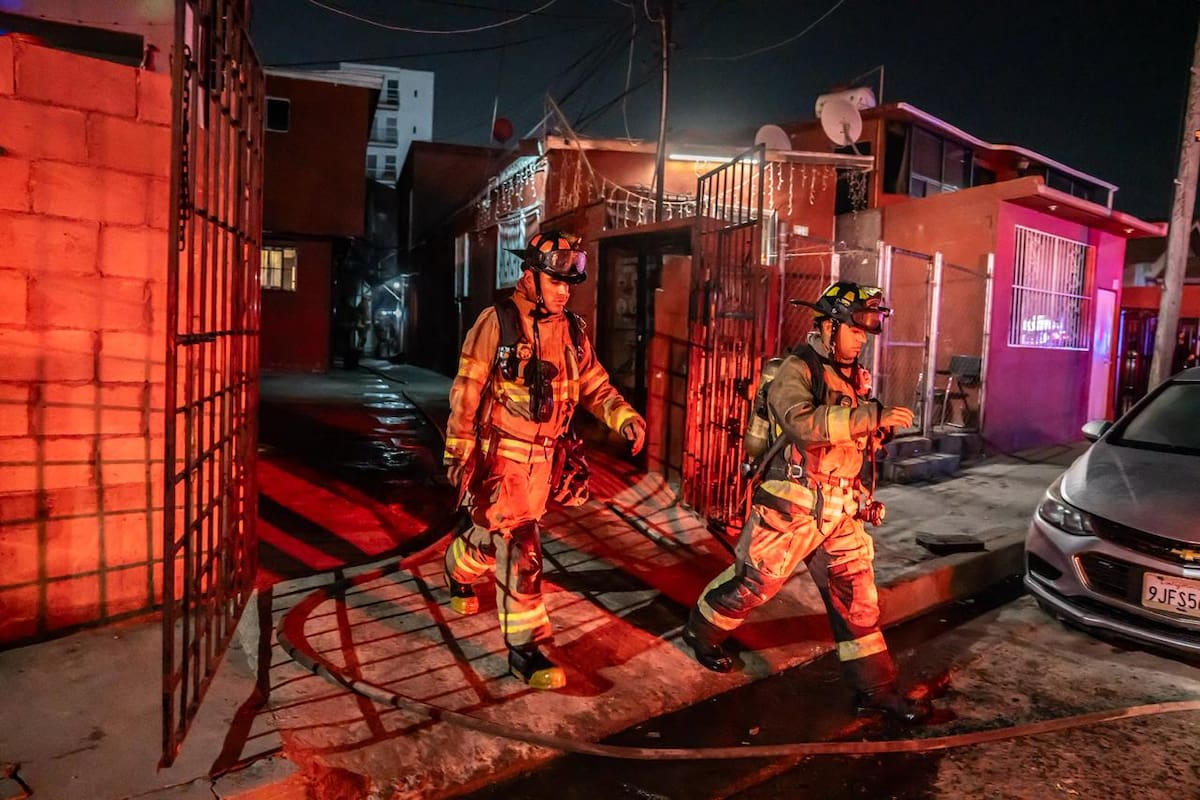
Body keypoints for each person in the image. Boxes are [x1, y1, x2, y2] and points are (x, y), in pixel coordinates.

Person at [682, 280, 933, 723]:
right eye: (854, 330)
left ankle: (876, 688)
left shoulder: (854, 375)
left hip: (840, 508)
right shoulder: (794, 370)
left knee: (857, 597)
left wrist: (875, 432)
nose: (861, 339)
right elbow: (803, 424)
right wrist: (870, 416)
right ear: (830, 326)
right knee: (753, 585)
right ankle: (701, 633)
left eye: (865, 332)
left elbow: (848, 437)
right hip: (792, 504)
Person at [442, 230, 647, 690]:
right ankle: (525, 649)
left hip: (545, 461)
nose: (563, 290)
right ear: (530, 276)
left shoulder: (572, 329)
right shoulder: (496, 322)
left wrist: (624, 418)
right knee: (523, 548)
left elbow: (594, 384)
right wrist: (459, 451)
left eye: (568, 283)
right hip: (503, 456)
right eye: (555, 280)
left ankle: (457, 566)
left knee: (492, 531)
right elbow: (467, 389)